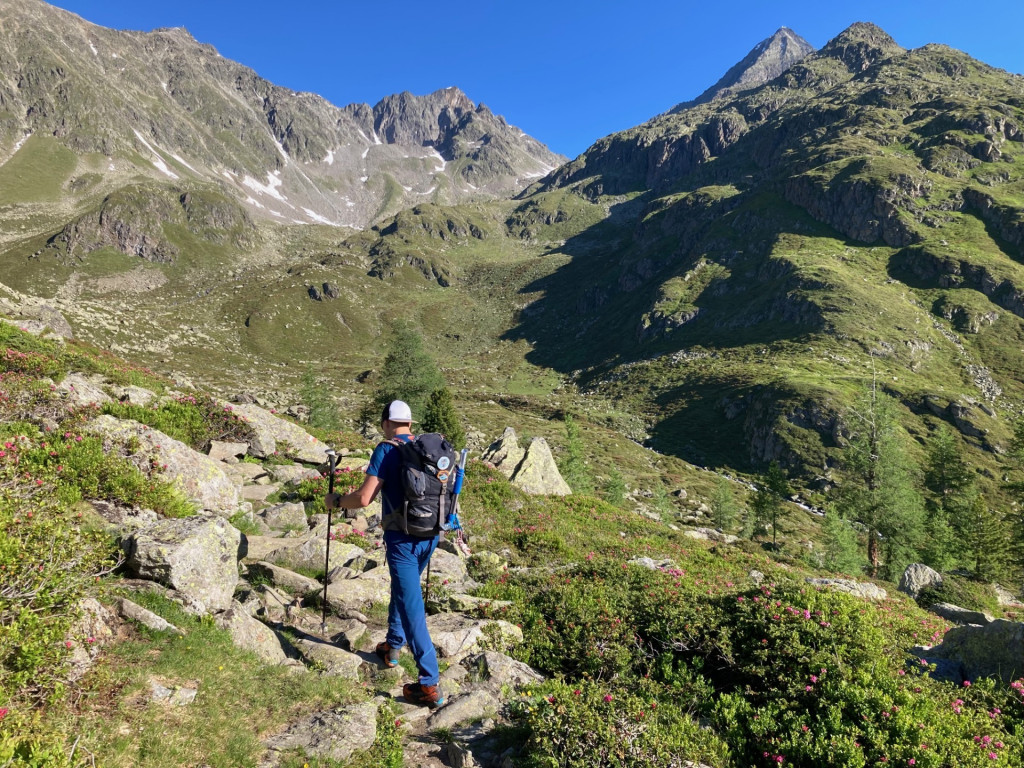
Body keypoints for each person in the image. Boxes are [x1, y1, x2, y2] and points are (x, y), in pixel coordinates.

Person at [325, 400, 444, 707]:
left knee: (411, 606)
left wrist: (336, 501)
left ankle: (429, 683)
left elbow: (364, 499)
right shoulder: (427, 449)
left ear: (386, 423)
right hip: (431, 535)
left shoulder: (386, 450)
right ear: (409, 423)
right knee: (403, 592)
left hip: (402, 539)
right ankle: (392, 646)